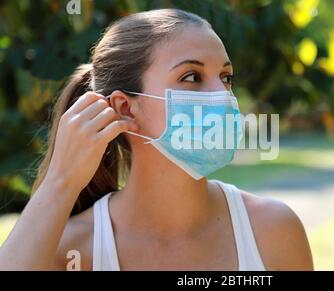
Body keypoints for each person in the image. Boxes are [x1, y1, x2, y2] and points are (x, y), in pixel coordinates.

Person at [0, 8, 313, 271]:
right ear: (125, 108)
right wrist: (60, 181)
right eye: (192, 77)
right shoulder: (70, 251)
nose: (224, 96)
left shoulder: (274, 230)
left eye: (226, 77)